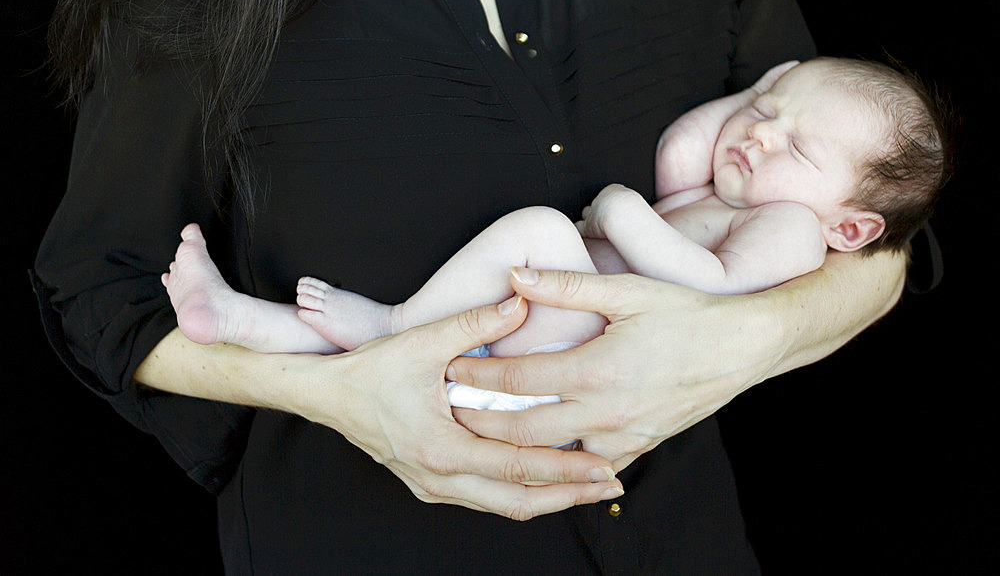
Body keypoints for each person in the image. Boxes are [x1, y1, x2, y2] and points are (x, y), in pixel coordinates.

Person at [31, 0, 912, 571]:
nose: (759, 130)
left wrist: (740, 339)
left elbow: (879, 237)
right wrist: (346, 397)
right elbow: (99, 287)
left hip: (676, 540)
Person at [158, 57, 947, 418]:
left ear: (852, 225)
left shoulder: (794, 232)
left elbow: (715, 292)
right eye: (766, 113)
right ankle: (234, 321)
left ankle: (390, 323)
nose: (762, 136)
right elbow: (678, 153)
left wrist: (617, 214)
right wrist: (766, 92)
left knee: (537, 232)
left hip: (577, 360)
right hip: (538, 331)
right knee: (353, 357)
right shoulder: (725, 187)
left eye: (797, 148)